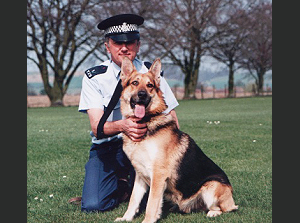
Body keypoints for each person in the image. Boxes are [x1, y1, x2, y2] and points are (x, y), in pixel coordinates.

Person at [77, 14, 179, 213]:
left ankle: (128, 184)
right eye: (117, 43)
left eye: (130, 42)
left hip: (146, 145)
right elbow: (97, 128)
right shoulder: (94, 77)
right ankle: (120, 185)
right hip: (108, 147)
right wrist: (123, 127)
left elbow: (171, 116)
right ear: (108, 46)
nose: (124, 48)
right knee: (93, 205)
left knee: (154, 203)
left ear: (138, 45)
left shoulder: (152, 73)